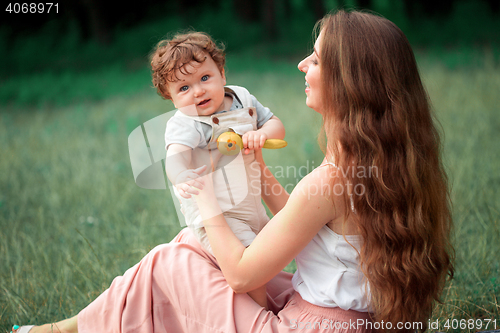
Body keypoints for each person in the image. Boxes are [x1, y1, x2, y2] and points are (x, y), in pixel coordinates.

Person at [12, 9, 453, 333]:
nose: (302, 64)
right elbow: (310, 226)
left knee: (175, 258)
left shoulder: (331, 180)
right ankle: (67, 329)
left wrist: (205, 199)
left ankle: (64, 331)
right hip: (356, 319)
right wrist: (260, 175)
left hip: (315, 326)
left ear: (350, 80)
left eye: (315, 60)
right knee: (187, 253)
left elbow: (244, 274)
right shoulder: (383, 160)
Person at [153, 31, 286, 309]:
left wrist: (262, 134)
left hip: (252, 205)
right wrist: (181, 175)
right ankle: (259, 319)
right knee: (252, 271)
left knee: (274, 255)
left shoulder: (242, 98)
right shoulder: (185, 124)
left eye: (204, 78)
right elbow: (175, 156)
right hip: (218, 216)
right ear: (171, 98)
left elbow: (275, 124)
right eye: (183, 88)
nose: (198, 91)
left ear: (222, 74)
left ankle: (256, 310)